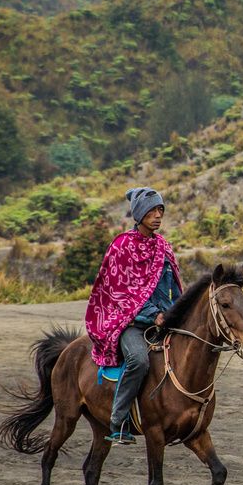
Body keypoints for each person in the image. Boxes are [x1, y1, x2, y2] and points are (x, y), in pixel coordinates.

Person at [85, 187, 183, 445]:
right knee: (139, 360)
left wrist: (174, 314)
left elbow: (172, 287)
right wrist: (153, 316)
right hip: (129, 321)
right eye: (152, 210)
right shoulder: (122, 245)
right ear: (139, 213)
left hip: (163, 320)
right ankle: (119, 422)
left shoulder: (163, 246)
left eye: (160, 210)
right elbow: (119, 293)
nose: (158, 215)